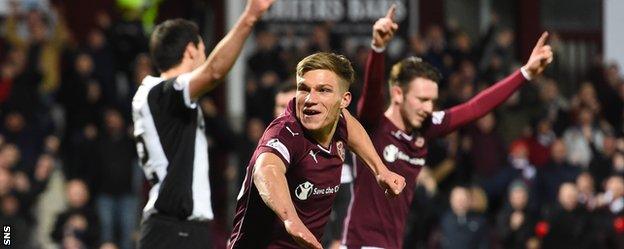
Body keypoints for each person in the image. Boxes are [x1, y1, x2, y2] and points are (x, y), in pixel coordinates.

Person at [341, 6, 554, 249]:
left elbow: (475, 107)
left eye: (432, 100)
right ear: (398, 94)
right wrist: (378, 48)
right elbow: (371, 93)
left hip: (393, 243)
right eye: (422, 100)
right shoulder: (373, 125)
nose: (428, 107)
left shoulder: (426, 127)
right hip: (360, 243)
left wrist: (525, 73)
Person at [131, 1, 276, 248]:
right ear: (190, 50)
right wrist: (250, 17)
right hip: (173, 229)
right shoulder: (158, 93)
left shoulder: (167, 100)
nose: (205, 56)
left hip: (185, 229)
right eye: (203, 49)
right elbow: (214, 72)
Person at [227, 52, 406, 249]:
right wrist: (291, 221)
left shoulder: (339, 120)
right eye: (303, 89)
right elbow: (266, 170)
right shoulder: (285, 132)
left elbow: (349, 124)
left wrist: (381, 170)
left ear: (344, 100)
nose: (310, 99)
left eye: (323, 90)